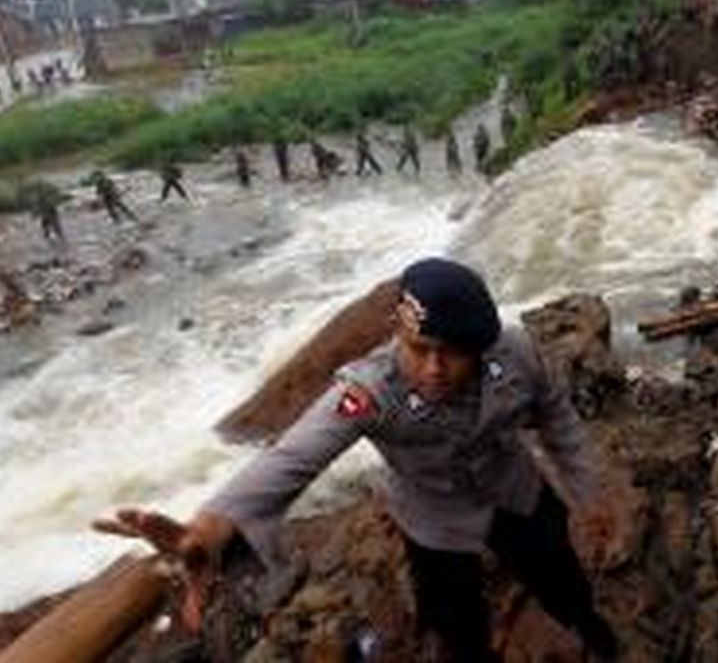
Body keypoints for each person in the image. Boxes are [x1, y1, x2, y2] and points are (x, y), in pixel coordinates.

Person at [94, 258, 619, 663]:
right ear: (398, 330)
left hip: (514, 491)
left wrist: (587, 492)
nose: (433, 369)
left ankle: (592, 631)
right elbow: (292, 457)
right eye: (419, 348)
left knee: (564, 581)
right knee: (457, 628)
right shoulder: (369, 392)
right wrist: (207, 532)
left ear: (481, 349)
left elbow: (556, 417)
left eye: (453, 353)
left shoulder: (515, 351)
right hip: (434, 522)